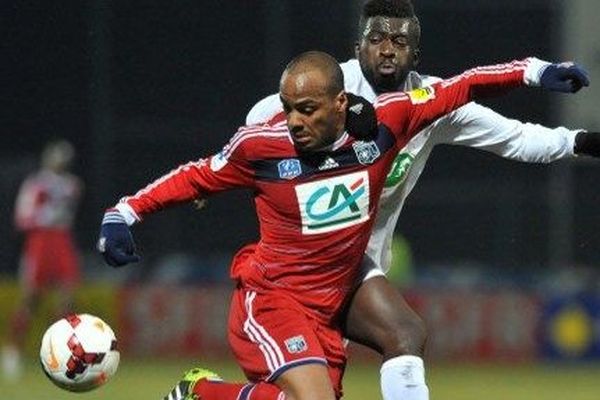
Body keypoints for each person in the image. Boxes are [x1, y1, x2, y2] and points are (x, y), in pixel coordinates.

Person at [98, 51, 587, 400]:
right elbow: (196, 176)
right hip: (274, 300)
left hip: (338, 292)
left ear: (339, 104)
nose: (292, 121)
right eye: (287, 108)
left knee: (387, 347)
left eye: (306, 109)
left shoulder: (387, 123)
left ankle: (199, 392)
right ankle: (200, 389)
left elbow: (464, 84)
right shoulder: (261, 147)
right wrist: (124, 213)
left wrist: (534, 72)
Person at [245, 1, 600, 399]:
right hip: (300, 265)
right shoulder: (328, 86)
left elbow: (516, 137)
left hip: (357, 263)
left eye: (399, 40)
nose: (386, 49)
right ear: (357, 45)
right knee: (351, 367)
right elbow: (259, 117)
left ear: (415, 53)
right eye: (376, 38)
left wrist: (582, 141)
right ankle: (202, 390)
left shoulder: (430, 102)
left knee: (400, 336)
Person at [1, 139, 83, 381]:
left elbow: (69, 211)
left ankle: (59, 355)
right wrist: (47, 214)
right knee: (31, 298)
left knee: (67, 299)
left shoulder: (71, 185)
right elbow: (22, 218)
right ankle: (12, 350)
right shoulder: (36, 183)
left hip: (62, 240)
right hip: (40, 241)